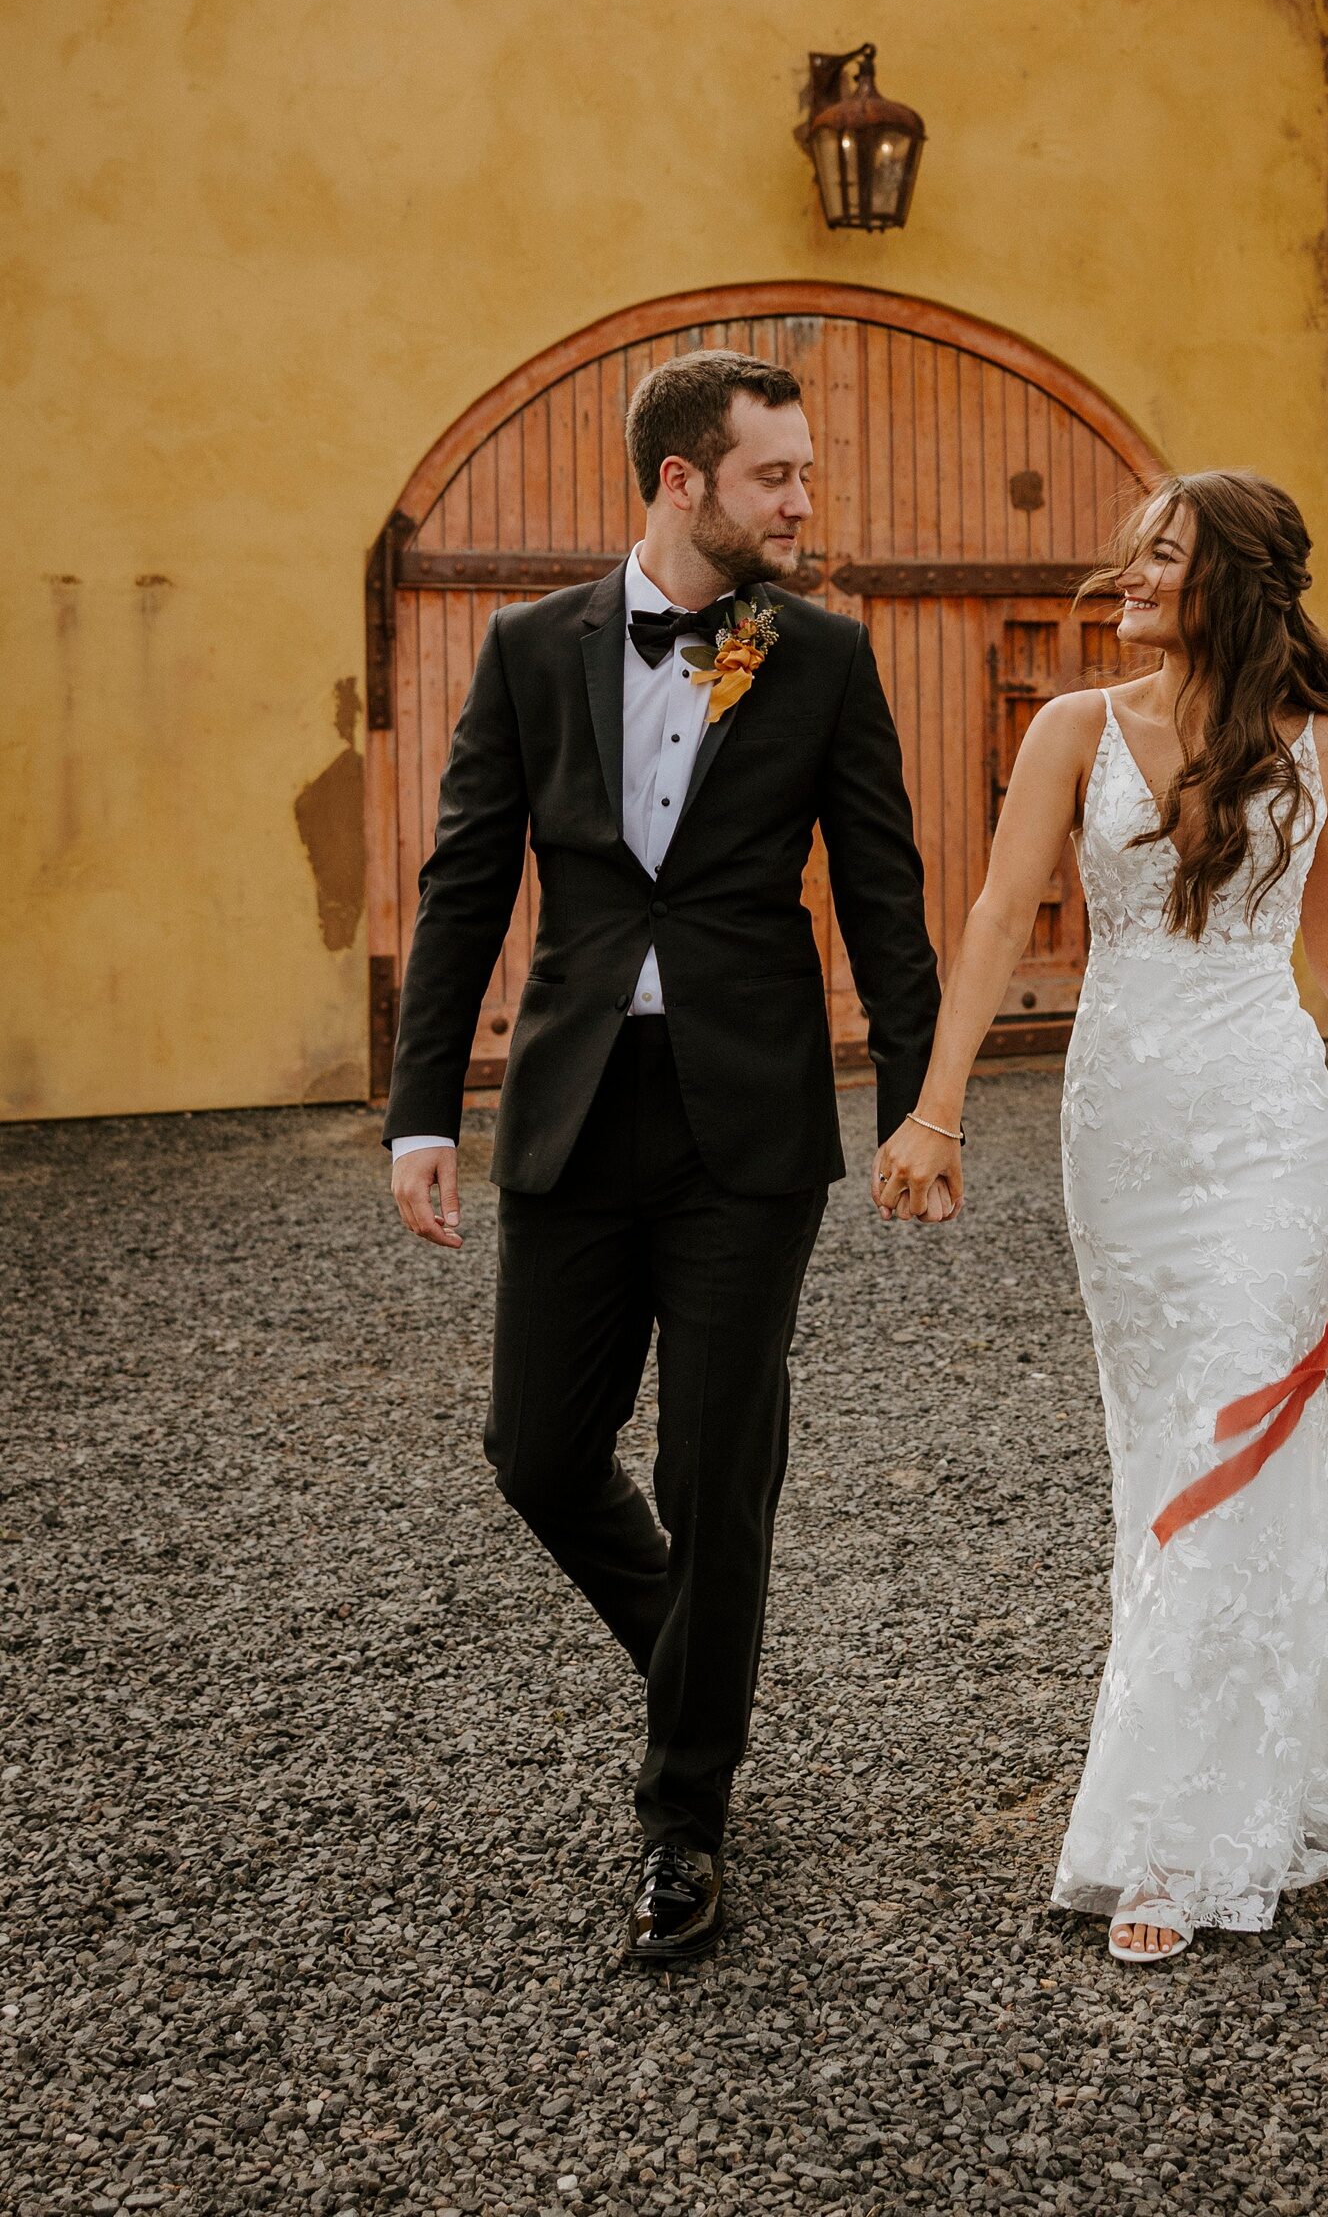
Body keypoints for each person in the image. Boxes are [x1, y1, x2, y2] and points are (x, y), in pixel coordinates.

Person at [873, 470, 1328, 1963]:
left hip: (1264, 1123)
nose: (1133, 574)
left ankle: (1177, 1836)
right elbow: (989, 914)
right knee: (1173, 1433)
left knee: (1234, 1421)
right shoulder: (1072, 730)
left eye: (1166, 554)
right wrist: (934, 1107)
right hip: (1123, 1133)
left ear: (1237, 578)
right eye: (1137, 553)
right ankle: (1314, 1675)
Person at [388, 349, 940, 1970]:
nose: (804, 500)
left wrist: (925, 1107)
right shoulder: (525, 648)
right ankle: (697, 1659)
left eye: (806, 471)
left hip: (748, 1119)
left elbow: (890, 897)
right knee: (536, 1452)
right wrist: (428, 1110)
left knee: (717, 1469)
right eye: (777, 475)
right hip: (570, 1104)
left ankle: (684, 1815)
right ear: (682, 481)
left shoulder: (822, 655)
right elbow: (465, 884)